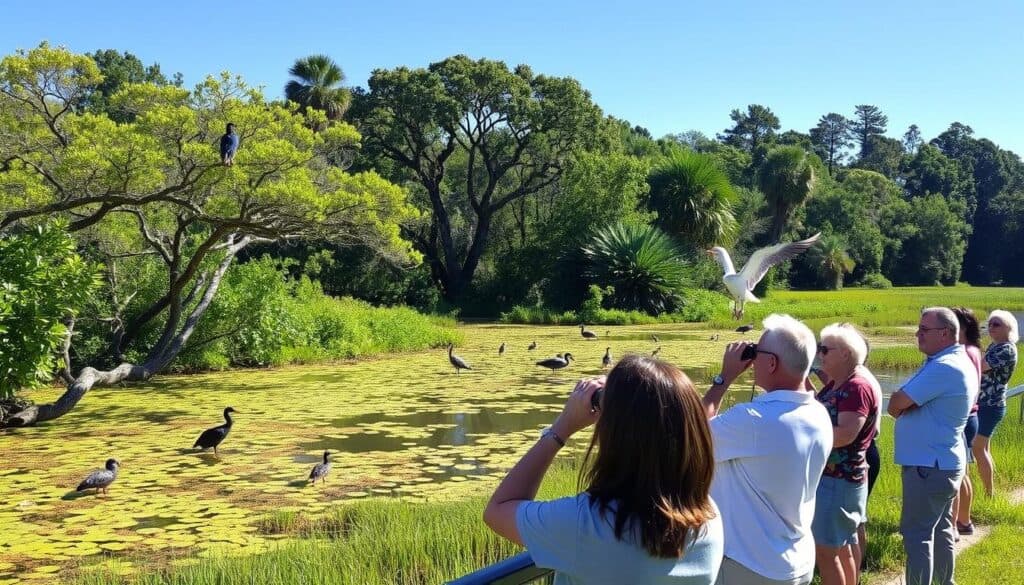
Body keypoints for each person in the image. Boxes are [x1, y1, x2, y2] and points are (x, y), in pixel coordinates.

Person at [484, 355, 724, 584]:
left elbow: (498, 510)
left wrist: (562, 428)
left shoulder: (585, 524)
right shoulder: (708, 519)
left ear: (616, 434)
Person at [702, 314, 832, 585]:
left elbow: (692, 437)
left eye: (756, 353)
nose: (751, 360)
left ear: (771, 363)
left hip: (751, 565)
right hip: (798, 559)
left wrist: (723, 378)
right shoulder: (819, 414)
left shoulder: (753, 420)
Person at [887, 307, 977, 585]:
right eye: (919, 329)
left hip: (929, 465)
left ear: (946, 334)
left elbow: (895, 404)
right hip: (942, 461)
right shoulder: (952, 360)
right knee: (940, 530)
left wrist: (903, 403)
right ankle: (944, 581)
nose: (918, 334)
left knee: (917, 536)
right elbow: (902, 402)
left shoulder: (944, 367)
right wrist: (905, 402)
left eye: (924, 330)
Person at [810, 323, 879, 585]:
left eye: (825, 349)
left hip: (838, 480)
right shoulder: (839, 384)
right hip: (842, 478)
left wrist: (809, 438)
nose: (820, 354)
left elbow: (846, 434)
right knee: (844, 546)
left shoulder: (855, 387)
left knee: (827, 552)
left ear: (846, 354)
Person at [973, 309, 1019, 497]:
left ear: (1009, 327)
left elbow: (980, 367)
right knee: (983, 449)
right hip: (986, 403)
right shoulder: (995, 345)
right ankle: (988, 493)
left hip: (990, 405)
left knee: (977, 448)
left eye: (997, 324)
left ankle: (989, 494)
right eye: (990, 324)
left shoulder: (1006, 349)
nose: (991, 327)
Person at [951, 307, 982, 536]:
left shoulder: (964, 352)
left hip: (965, 416)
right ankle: (964, 520)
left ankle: (956, 524)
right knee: (964, 474)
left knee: (958, 476)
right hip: (972, 415)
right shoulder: (973, 349)